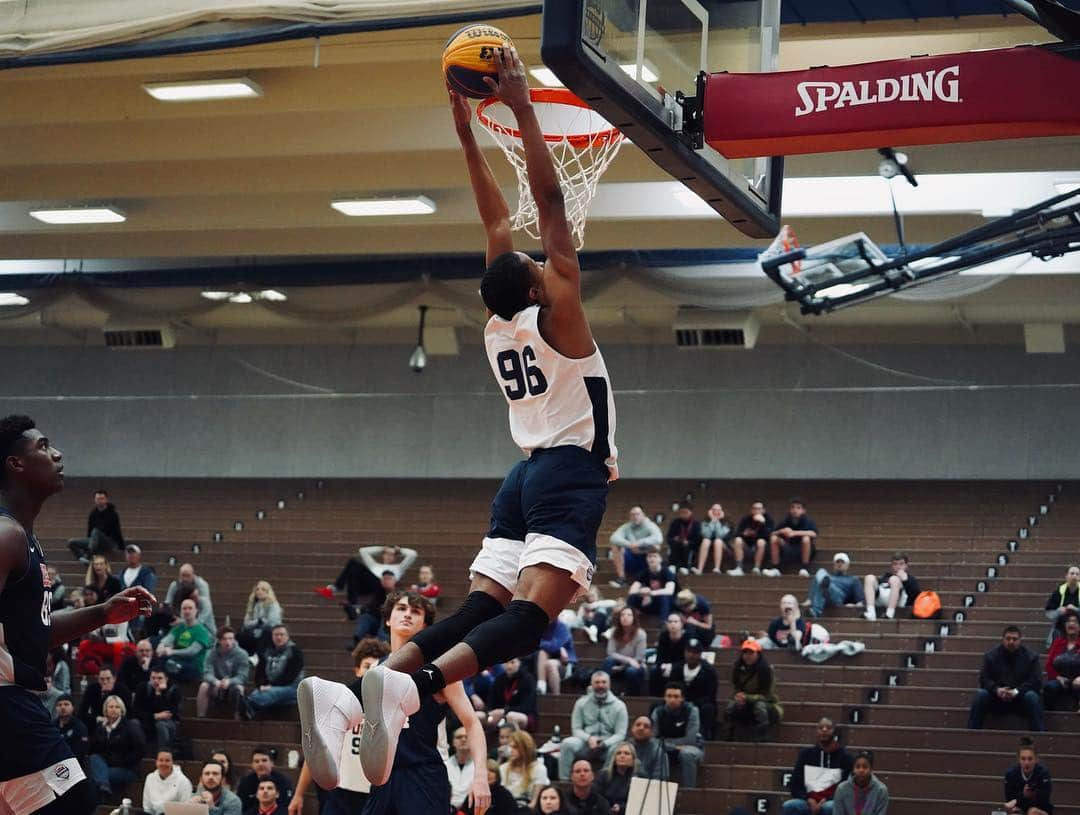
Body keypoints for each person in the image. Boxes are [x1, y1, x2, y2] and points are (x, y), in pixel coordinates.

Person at [350, 47, 618, 788]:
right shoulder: (558, 307)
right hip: (564, 469)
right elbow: (547, 203)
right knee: (530, 618)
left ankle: (366, 689)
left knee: (479, 606)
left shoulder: (499, 318)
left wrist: (466, 126)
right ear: (538, 279)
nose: (539, 248)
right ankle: (413, 681)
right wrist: (523, 107)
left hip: (522, 475)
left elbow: (495, 212)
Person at [296, 590, 491, 815]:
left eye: (415, 611)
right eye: (401, 608)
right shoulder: (376, 670)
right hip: (383, 780)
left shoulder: (438, 669)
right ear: (388, 619)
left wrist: (480, 776)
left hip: (422, 775)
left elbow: (472, 723)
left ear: (426, 626)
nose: (407, 614)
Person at [288, 637, 389, 815]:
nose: (371, 671)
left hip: (375, 792)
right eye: (367, 666)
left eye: (376, 667)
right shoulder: (341, 703)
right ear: (357, 670)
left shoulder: (388, 707)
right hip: (341, 792)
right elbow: (317, 752)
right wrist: (298, 794)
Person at [967, 625, 1044, 732]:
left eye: (1014, 639)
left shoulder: (1031, 657)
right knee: (981, 694)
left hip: (1020, 700)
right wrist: (997, 690)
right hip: (997, 700)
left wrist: (1017, 691)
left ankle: (1039, 735)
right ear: (1003, 640)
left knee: (1032, 696)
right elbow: (984, 678)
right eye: (1008, 639)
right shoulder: (991, 656)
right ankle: (971, 733)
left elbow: (1036, 681)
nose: (1011, 642)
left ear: (1020, 640)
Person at [558, 671, 629, 781]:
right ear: (592, 684)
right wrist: (589, 738)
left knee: (617, 748)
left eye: (603, 682)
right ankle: (564, 781)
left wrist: (605, 743)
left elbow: (620, 734)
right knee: (567, 744)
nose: (600, 685)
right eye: (597, 682)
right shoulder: (581, 703)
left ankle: (605, 781)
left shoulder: (620, 706)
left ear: (609, 684)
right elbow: (576, 729)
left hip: (608, 745)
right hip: (586, 743)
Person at [782, 717, 853, 815]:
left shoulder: (845, 757)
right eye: (821, 728)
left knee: (830, 807)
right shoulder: (806, 754)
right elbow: (795, 784)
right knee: (790, 806)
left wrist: (826, 800)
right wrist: (808, 799)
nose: (824, 730)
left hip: (831, 801)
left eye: (828, 728)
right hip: (808, 801)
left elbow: (846, 787)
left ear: (835, 732)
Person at [719, 640, 782, 741]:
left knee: (759, 706)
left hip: (767, 705)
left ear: (758, 654)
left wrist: (747, 697)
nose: (747, 656)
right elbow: (736, 688)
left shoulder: (766, 670)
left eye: (751, 653)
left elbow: (768, 696)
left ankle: (763, 734)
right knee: (731, 706)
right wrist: (738, 697)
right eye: (745, 652)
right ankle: (727, 734)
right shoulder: (737, 668)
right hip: (745, 703)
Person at [87, 694, 146, 800]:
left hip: (126, 768)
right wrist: (101, 731)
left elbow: (140, 749)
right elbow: (93, 748)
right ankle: (103, 789)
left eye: (117, 707)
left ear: (122, 710)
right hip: (105, 765)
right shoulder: (101, 727)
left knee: (98, 777)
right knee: (94, 759)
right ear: (105, 710)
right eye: (111, 707)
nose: (114, 710)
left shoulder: (130, 726)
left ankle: (101, 795)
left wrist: (122, 761)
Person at [651, 683, 703, 789]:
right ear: (664, 697)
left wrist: (664, 742)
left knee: (687, 753)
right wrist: (672, 747)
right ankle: (658, 791)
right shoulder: (658, 711)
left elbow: (690, 739)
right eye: (669, 696)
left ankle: (689, 792)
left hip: (691, 748)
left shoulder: (692, 711)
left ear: (682, 698)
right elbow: (652, 739)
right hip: (665, 748)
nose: (672, 700)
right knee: (656, 751)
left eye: (676, 696)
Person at [246, 625, 303, 717]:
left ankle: (247, 706)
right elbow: (260, 673)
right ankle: (249, 709)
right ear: (272, 636)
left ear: (287, 636)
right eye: (276, 635)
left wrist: (271, 686)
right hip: (270, 688)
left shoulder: (295, 652)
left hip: (291, 687)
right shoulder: (267, 651)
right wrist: (262, 685)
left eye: (282, 634)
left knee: (265, 694)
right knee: (259, 693)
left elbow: (290, 676)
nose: (279, 637)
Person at [670, 639, 719, 741]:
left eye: (695, 652)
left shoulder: (709, 671)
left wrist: (691, 704)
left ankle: (704, 735)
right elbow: (670, 688)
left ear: (700, 654)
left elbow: (710, 696)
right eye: (689, 651)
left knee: (708, 708)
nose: (691, 655)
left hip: (700, 704)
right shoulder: (677, 668)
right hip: (678, 702)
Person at [198, 626, 250, 719]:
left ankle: (237, 718)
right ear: (218, 640)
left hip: (233, 684)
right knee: (204, 686)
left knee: (239, 689)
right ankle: (201, 717)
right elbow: (206, 673)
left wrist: (230, 681)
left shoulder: (242, 654)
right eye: (224, 639)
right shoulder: (211, 653)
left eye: (230, 638)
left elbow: (243, 676)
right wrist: (216, 682)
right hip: (216, 684)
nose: (228, 642)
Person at [156, 597, 213, 681]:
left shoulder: (202, 631)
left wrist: (172, 652)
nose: (187, 611)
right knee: (160, 660)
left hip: (194, 666)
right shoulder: (179, 627)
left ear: (196, 611)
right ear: (181, 611)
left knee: (168, 665)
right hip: (176, 661)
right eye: (184, 608)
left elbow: (191, 652)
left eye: (190, 608)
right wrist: (161, 646)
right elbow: (168, 640)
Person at [607, 506, 662, 588]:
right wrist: (630, 545)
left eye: (637, 514)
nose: (635, 516)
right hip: (631, 557)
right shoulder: (627, 526)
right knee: (616, 546)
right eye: (632, 515)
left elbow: (658, 538)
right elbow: (613, 538)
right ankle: (621, 579)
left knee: (656, 547)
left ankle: (652, 578)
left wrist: (639, 543)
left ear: (643, 515)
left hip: (645, 556)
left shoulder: (650, 525)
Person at [67, 489, 124, 563]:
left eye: (102, 499)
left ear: (106, 499)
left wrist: (122, 547)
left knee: (96, 531)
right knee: (71, 542)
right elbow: (89, 531)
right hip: (94, 541)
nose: (100, 501)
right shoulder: (93, 514)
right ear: (94, 500)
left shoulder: (113, 514)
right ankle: (82, 559)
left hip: (109, 542)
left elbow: (117, 531)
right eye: (98, 499)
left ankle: (88, 555)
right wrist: (90, 543)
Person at [483, 656, 538, 732]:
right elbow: (491, 701)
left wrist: (505, 711)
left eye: (512, 662)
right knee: (480, 716)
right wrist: (490, 712)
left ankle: (515, 742)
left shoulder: (528, 679)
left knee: (511, 716)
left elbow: (527, 706)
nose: (509, 666)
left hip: (525, 715)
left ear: (519, 663)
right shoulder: (499, 680)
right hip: (502, 715)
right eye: (506, 663)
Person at [131, 667, 182, 749]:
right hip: (148, 720)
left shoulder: (174, 690)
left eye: (160, 678)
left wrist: (158, 694)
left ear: (166, 679)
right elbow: (136, 712)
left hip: (168, 723)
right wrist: (155, 716)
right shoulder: (142, 687)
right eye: (153, 678)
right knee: (133, 723)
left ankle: (163, 752)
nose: (156, 681)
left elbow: (169, 714)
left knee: (161, 724)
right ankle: (139, 750)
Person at [862, 552, 921, 621]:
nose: (898, 567)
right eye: (895, 564)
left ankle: (889, 614)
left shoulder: (910, 579)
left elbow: (916, 595)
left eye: (901, 564)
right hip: (881, 597)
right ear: (892, 566)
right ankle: (871, 612)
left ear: (906, 566)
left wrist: (905, 580)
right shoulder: (885, 577)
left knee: (894, 579)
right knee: (869, 577)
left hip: (899, 601)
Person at [600, 606, 646, 695]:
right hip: (619, 663)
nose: (625, 617)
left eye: (629, 615)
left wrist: (622, 667)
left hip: (636, 666)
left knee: (631, 671)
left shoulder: (641, 634)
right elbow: (610, 653)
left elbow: (639, 657)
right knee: (608, 661)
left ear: (634, 618)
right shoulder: (614, 632)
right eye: (623, 615)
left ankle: (632, 696)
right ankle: (603, 691)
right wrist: (628, 660)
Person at [768, 498, 819, 577]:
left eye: (798, 508)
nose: (795, 510)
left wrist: (794, 533)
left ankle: (804, 568)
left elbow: (814, 533)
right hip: (788, 547)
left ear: (803, 511)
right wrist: (782, 531)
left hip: (802, 548)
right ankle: (776, 568)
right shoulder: (785, 520)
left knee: (806, 538)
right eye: (793, 507)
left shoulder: (808, 521)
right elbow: (772, 533)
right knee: (774, 539)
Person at [500, 730, 549, 811]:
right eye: (510, 747)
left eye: (515, 747)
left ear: (525, 748)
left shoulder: (539, 769)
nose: (510, 750)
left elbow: (534, 803)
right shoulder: (503, 768)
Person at [236, 748, 294, 814]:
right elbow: (242, 806)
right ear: (252, 765)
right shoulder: (245, 783)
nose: (260, 764)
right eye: (256, 761)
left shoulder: (284, 781)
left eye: (264, 760)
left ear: (272, 763)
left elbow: (287, 805)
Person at [1004, 737, 1053, 815]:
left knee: (1032, 812)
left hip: (1040, 809)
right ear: (1018, 759)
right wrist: (1023, 795)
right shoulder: (1011, 774)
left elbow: (1045, 798)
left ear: (1036, 759)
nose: (1027, 763)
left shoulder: (1043, 773)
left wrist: (1033, 795)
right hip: (1020, 808)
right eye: (1023, 759)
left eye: (1030, 759)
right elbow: (1009, 800)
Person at [806, 553, 864, 619]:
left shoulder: (853, 579)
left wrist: (855, 605)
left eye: (842, 562)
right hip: (825, 594)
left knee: (823, 580)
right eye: (837, 562)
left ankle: (815, 611)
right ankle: (823, 587)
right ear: (834, 565)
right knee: (821, 571)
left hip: (839, 597)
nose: (839, 564)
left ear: (847, 565)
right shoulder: (828, 576)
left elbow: (860, 600)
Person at [1043, 608, 1080, 711]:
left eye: (1075, 622)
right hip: (1061, 680)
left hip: (1078, 681)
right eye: (1068, 621)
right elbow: (1049, 665)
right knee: (1049, 687)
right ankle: (1048, 714)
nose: (1071, 624)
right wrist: (1058, 677)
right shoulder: (1058, 643)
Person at [164, 563, 216, 634]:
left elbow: (205, 610)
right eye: (183, 575)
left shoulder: (202, 586)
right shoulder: (175, 585)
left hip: (203, 625)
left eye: (188, 576)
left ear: (193, 575)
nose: (185, 578)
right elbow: (168, 603)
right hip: (182, 620)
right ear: (179, 576)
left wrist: (183, 621)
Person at [78, 665, 132, 731]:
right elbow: (81, 712)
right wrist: (97, 719)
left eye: (108, 678)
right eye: (102, 679)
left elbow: (129, 712)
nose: (105, 682)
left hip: (119, 722)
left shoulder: (123, 689)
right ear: (98, 679)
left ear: (114, 678)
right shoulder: (91, 689)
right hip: (98, 722)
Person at [142, 747, 194, 815]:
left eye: (167, 760)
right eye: (161, 760)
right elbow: (147, 805)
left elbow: (185, 808)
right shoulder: (150, 777)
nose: (163, 763)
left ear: (172, 762)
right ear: (156, 762)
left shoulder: (184, 781)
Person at [728, 500, 774, 577]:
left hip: (762, 548)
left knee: (761, 541)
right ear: (751, 510)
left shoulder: (768, 519)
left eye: (759, 509)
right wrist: (744, 534)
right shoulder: (746, 519)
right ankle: (739, 568)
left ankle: (757, 568)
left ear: (763, 510)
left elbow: (770, 535)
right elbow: (737, 534)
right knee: (738, 540)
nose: (757, 511)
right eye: (755, 509)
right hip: (747, 546)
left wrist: (763, 523)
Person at [626, 551, 677, 620]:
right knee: (632, 597)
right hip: (650, 602)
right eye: (649, 556)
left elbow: (669, 591)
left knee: (665, 597)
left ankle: (663, 625)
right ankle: (630, 620)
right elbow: (632, 591)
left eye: (655, 556)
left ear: (660, 559)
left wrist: (650, 593)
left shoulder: (667, 572)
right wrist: (641, 591)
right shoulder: (644, 572)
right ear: (646, 559)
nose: (652, 559)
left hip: (668, 604)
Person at [239, 581, 282, 656]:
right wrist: (258, 621)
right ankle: (247, 658)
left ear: (268, 592)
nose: (259, 591)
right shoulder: (253, 604)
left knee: (265, 633)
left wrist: (258, 623)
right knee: (241, 633)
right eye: (257, 589)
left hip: (269, 632)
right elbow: (246, 623)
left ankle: (259, 658)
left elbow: (272, 623)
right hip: (255, 631)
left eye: (263, 589)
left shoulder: (273, 604)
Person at [536, 617, 576, 695]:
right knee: (542, 653)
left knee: (550, 664)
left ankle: (556, 696)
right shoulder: (540, 627)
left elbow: (554, 646)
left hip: (565, 663)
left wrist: (541, 643)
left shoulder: (562, 627)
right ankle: (541, 685)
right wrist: (558, 648)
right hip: (544, 662)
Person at [650, 612, 688, 695]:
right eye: (670, 622)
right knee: (654, 670)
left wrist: (673, 666)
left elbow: (687, 660)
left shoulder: (687, 637)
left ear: (681, 624)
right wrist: (663, 665)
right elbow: (659, 657)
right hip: (665, 665)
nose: (672, 624)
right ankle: (654, 697)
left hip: (681, 666)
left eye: (675, 622)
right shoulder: (663, 636)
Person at [596, 742, 638, 815]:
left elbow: (637, 803)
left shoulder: (638, 779)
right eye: (618, 753)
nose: (622, 756)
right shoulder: (603, 775)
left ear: (633, 759)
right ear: (614, 758)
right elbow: (596, 796)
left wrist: (621, 808)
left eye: (626, 753)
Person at [1044, 565, 1079, 643]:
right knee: (1057, 631)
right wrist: (1058, 611)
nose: (1074, 576)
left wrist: (1076, 610)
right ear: (1066, 576)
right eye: (1072, 573)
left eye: (1077, 574)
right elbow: (1049, 612)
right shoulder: (1059, 591)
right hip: (1062, 626)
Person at [665, 504, 702, 576]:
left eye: (686, 512)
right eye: (682, 512)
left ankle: (684, 567)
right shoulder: (675, 522)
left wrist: (689, 542)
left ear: (691, 512)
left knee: (687, 546)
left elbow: (698, 539)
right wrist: (675, 539)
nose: (684, 515)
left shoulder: (696, 524)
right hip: (676, 545)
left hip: (690, 546)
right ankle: (672, 565)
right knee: (676, 545)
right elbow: (669, 537)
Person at [627, 716, 668, 780]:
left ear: (651, 732)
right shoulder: (621, 748)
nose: (641, 728)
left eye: (646, 726)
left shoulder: (658, 752)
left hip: (647, 788)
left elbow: (659, 780)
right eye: (638, 725)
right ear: (632, 728)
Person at [446, 726, 476, 811]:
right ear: (453, 742)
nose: (463, 739)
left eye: (467, 737)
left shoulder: (479, 767)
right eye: (459, 737)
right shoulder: (444, 765)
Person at [698, 502, 732, 575]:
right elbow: (706, 535)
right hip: (708, 544)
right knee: (705, 540)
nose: (716, 512)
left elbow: (719, 535)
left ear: (722, 512)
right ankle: (700, 569)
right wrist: (713, 521)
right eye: (714, 510)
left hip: (723, 545)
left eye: (718, 510)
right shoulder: (705, 522)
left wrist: (717, 521)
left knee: (718, 541)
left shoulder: (726, 523)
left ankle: (717, 568)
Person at [54, 694, 89, 765]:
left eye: (66, 704)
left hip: (75, 763)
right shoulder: (52, 726)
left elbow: (81, 751)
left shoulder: (80, 726)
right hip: (55, 762)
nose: (62, 707)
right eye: (59, 705)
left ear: (73, 707)